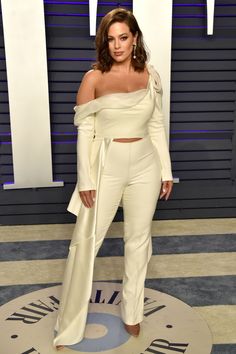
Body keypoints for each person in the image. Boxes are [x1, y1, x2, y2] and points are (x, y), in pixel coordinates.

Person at [53, 7, 173, 350]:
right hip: (106, 166)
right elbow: (85, 131)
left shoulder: (150, 75)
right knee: (85, 242)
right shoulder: (94, 78)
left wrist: (165, 170)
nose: (118, 45)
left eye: (124, 37)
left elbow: (155, 125)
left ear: (134, 38)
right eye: (111, 38)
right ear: (104, 42)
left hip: (146, 166)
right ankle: (69, 323)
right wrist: (86, 179)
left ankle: (132, 311)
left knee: (138, 241)